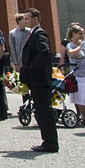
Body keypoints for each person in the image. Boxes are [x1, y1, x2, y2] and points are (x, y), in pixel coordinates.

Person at [21, 8, 58, 152]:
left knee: (44, 111)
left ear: (36, 19)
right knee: (41, 110)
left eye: (27, 18)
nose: (25, 21)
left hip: (40, 79)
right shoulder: (32, 33)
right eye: (24, 19)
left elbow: (43, 53)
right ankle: (48, 141)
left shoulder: (39, 33)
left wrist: (31, 69)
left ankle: (50, 143)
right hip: (37, 79)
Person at [65, 23, 85, 125]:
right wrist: (80, 46)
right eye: (80, 34)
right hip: (78, 75)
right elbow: (72, 53)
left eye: (83, 33)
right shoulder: (70, 45)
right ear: (73, 34)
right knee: (81, 96)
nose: (82, 36)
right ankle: (84, 117)